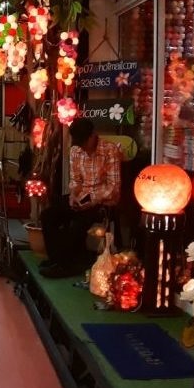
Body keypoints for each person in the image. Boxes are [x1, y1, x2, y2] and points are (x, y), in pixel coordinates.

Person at [40, 118, 122, 278]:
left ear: (92, 136)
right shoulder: (76, 151)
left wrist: (92, 199)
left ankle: (66, 265)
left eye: (84, 142)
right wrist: (73, 196)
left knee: (78, 222)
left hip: (103, 201)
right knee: (48, 215)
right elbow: (75, 180)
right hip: (81, 197)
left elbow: (114, 187)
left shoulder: (110, 150)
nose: (82, 147)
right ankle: (57, 259)